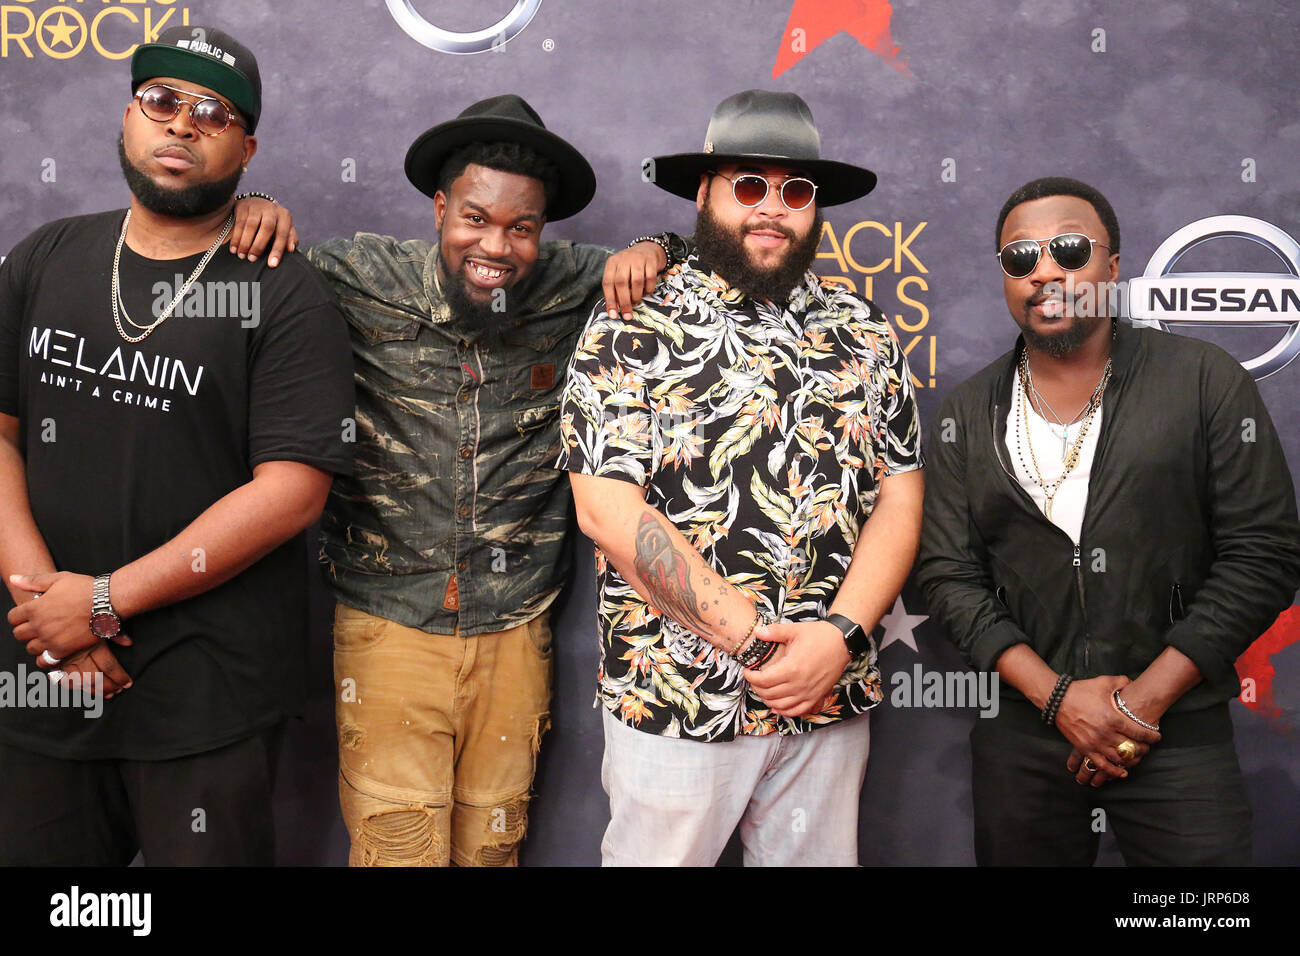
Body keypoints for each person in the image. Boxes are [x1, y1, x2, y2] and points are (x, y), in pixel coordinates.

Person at [234, 95, 684, 867]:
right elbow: (225, 250)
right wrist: (252, 202)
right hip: (389, 624)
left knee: (492, 849)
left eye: (522, 228)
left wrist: (659, 242)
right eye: (476, 217)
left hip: (516, 627)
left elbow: (717, 255)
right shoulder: (355, 274)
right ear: (440, 209)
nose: (497, 246)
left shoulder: (579, 283)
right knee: (397, 850)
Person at [0, 25, 355, 865]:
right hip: (40, 676)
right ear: (129, 115)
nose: (182, 125)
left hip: (206, 694)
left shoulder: (285, 293)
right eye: (162, 101)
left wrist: (102, 601)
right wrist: (51, 613)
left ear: (246, 146)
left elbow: (292, 491)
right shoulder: (47, 256)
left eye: (213, 112)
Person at [558, 89, 924, 866]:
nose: (772, 208)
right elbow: (607, 510)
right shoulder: (633, 322)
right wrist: (758, 648)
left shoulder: (864, 331)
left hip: (828, 699)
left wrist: (841, 637)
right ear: (705, 193)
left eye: (795, 191)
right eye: (749, 185)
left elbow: (900, 496)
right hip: (675, 698)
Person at [916, 176, 1300, 865]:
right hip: (1023, 741)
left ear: (1113, 268)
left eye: (1069, 249)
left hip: (1176, 730)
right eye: (1020, 257)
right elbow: (948, 574)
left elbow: (1264, 554)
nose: (1045, 272)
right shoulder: (967, 413)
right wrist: (1059, 698)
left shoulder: (1204, 380)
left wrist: (1141, 704)